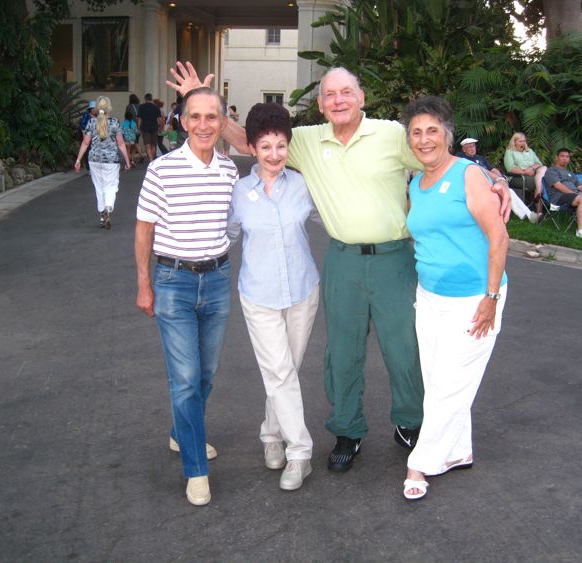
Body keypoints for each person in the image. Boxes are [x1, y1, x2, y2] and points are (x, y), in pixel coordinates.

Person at [167, 62, 512, 474]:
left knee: (404, 348)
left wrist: (492, 177)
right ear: (320, 104)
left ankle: (410, 422)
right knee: (342, 352)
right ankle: (348, 431)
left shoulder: (389, 134)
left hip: (394, 259)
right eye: (329, 95)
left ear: (360, 97)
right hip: (343, 260)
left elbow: (436, 156)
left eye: (346, 92)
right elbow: (254, 142)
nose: (338, 100)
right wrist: (208, 108)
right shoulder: (309, 141)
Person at [401, 96, 509, 501]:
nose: (424, 139)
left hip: (474, 298)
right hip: (429, 297)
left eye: (432, 130)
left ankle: (420, 463)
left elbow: (499, 237)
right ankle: (458, 451)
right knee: (439, 382)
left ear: (447, 133)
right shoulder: (416, 184)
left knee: (449, 384)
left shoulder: (468, 174)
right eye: (416, 132)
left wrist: (491, 296)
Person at [135, 86, 237, 506]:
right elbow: (144, 229)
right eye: (194, 116)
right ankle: (196, 469)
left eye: (211, 117)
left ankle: (182, 432)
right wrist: (144, 283)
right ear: (180, 120)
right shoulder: (161, 170)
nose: (203, 125)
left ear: (222, 120)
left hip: (216, 280)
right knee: (186, 379)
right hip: (173, 281)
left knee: (207, 373)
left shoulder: (230, 170)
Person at [226, 103, 320, 491]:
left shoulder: (303, 185)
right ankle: (301, 453)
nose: (275, 155)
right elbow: (226, 236)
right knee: (279, 372)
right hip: (259, 296)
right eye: (266, 146)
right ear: (251, 147)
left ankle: (270, 434)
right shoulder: (238, 191)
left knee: (285, 372)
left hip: (302, 291)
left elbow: (333, 217)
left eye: (281, 145)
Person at [74, 96, 131, 229]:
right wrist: (128, 161)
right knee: (111, 185)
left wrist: (78, 160)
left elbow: (85, 142)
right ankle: (108, 207)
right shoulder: (115, 122)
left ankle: (102, 216)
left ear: (97, 108)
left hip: (94, 159)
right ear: (109, 108)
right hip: (111, 160)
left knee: (99, 187)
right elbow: (121, 143)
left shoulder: (91, 122)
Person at [457, 138, 539, 224]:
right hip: (479, 186)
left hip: (492, 183)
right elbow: (478, 170)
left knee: (508, 191)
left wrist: (501, 178)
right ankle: (528, 215)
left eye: (473, 146)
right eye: (469, 147)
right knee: (507, 191)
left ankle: (528, 215)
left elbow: (493, 169)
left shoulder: (480, 158)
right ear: (463, 149)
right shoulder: (462, 158)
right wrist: (497, 179)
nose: (472, 148)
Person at [543, 148, 582, 239]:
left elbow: (580, 186)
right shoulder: (551, 171)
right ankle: (580, 230)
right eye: (562, 156)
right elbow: (558, 186)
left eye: (567, 157)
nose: (565, 158)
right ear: (556, 158)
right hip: (559, 196)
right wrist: (575, 194)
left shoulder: (570, 173)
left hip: (574, 195)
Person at [504, 132, 547, 204]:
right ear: (514, 142)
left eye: (524, 141)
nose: (523, 143)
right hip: (518, 177)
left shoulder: (529, 151)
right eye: (520, 141)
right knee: (542, 182)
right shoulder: (510, 152)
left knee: (544, 168)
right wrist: (525, 172)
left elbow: (539, 163)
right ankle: (539, 209)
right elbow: (510, 168)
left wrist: (531, 169)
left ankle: (538, 192)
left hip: (534, 174)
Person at [137, 93, 162, 162]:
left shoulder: (142, 107)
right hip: (154, 127)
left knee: (147, 145)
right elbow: (159, 119)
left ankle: (150, 160)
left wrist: (138, 127)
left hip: (145, 127)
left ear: (145, 99)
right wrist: (161, 127)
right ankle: (152, 160)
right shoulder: (155, 107)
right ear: (151, 98)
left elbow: (139, 118)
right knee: (153, 144)